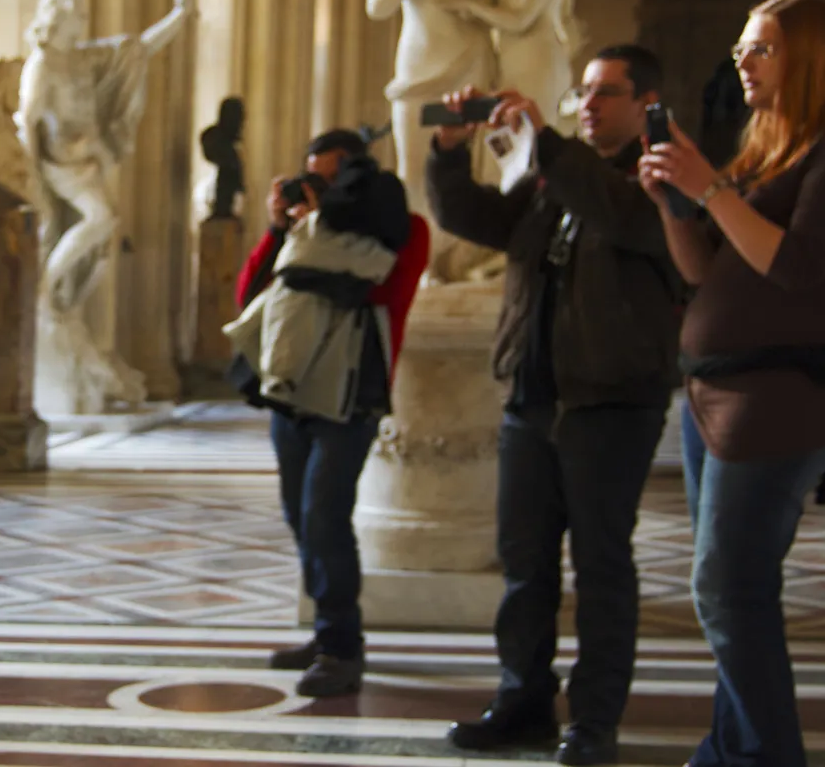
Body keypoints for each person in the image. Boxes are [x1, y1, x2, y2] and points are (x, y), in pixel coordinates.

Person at [426, 46, 682, 766]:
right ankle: (523, 698)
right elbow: (476, 218)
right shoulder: (552, 180)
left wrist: (549, 142)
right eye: (584, 92)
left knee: (601, 567)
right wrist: (450, 154)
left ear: (646, 103)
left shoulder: (659, 173)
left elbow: (623, 217)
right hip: (531, 400)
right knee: (524, 565)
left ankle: (595, 718)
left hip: (610, 403)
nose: (590, 103)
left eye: (607, 92)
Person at [639, 0, 825, 767]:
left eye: (760, 48)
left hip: (777, 397)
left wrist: (712, 188)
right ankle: (729, 749)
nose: (743, 62)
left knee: (727, 588)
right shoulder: (769, 146)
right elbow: (708, 271)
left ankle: (763, 757)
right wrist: (671, 204)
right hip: (711, 395)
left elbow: (798, 266)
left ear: (809, 57)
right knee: (734, 590)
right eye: (739, 50)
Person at [228, 129, 428, 698]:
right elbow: (252, 294)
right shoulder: (304, 234)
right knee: (299, 514)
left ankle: (343, 647)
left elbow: (383, 292)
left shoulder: (403, 232)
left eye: (333, 177)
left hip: (348, 396)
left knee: (324, 515)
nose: (323, 187)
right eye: (313, 175)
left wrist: (325, 225)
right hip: (290, 390)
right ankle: (326, 630)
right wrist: (278, 228)